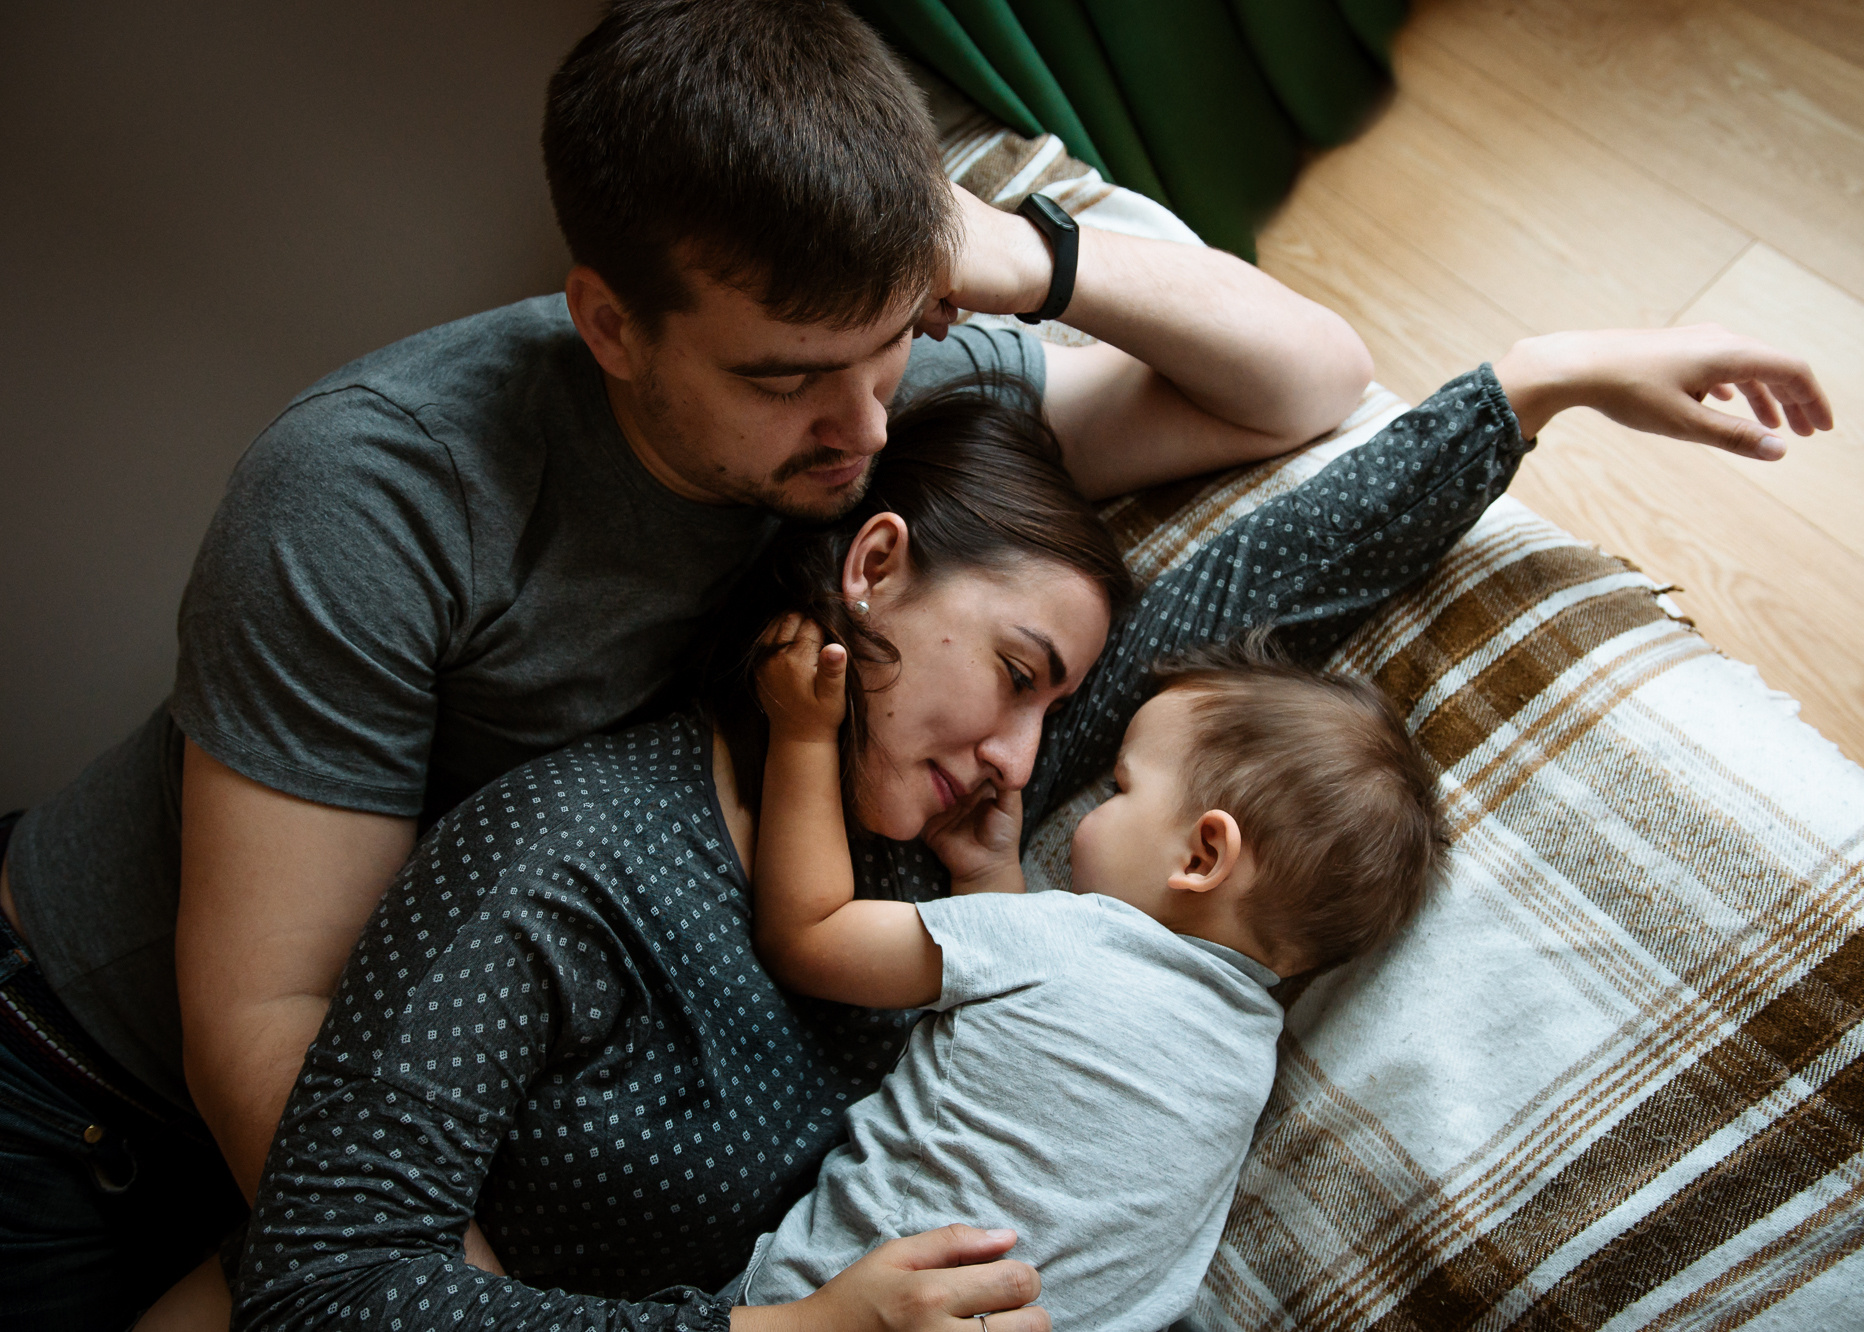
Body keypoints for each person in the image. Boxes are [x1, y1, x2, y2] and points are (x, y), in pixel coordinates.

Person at [0, 1, 1376, 1325]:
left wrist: (1028, 259)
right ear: (608, 324)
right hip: (85, 1088)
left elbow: (1310, 382)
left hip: (434, 1076)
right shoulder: (372, 494)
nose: (856, 431)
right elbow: (272, 1025)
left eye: (892, 340)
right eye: (783, 379)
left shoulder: (889, 404)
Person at [230, 326, 1833, 1332]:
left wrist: (1535, 387)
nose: (1026, 758)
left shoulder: (995, 846)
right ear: (867, 576)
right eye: (1013, 676)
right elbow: (321, 1290)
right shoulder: (561, 858)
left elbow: (1264, 605)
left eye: (1060, 706)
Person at [734, 621, 1442, 1330]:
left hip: (831, 1304)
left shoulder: (1067, 936)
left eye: (1119, 787)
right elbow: (1025, 1051)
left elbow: (809, 937)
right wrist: (985, 874)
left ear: (1202, 857)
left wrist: (801, 735)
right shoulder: (1248, 1065)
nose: (1095, 805)